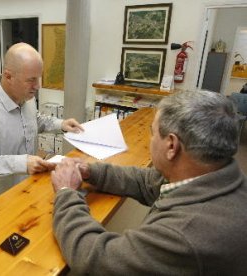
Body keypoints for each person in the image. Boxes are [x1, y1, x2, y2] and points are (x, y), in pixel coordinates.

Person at [51, 90, 247, 275]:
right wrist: (91, 172)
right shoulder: (221, 175)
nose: (150, 139)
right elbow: (147, 181)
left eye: (153, 132)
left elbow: (97, 258)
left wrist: (66, 192)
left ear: (172, 145)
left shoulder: (184, 234)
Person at [0, 42, 83, 211]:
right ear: (8, 76)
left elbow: (35, 119)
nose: (38, 86)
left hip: (24, 193)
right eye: (31, 80)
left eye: (38, 78)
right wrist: (21, 163)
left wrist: (61, 124)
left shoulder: (26, 97)